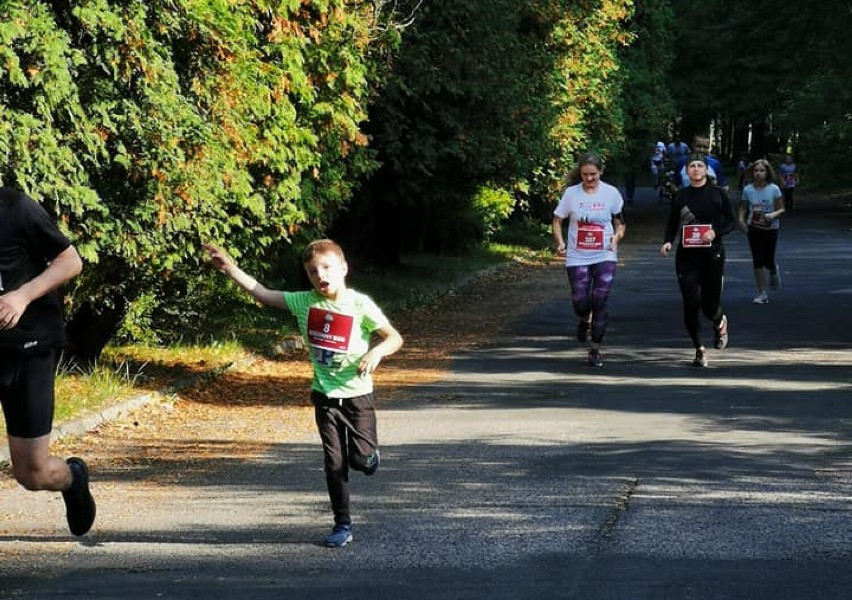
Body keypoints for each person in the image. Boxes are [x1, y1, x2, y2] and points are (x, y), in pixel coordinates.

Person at [204, 239, 403, 548]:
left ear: (343, 268)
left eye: (326, 268)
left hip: (357, 397)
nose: (320, 276)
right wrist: (229, 268)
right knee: (334, 464)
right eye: (312, 271)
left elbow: (394, 338)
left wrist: (376, 354)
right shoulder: (303, 302)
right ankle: (342, 524)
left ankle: (369, 457)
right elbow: (262, 293)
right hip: (324, 397)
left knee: (360, 460)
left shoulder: (359, 304)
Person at [0, 186, 95, 536]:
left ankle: (73, 479)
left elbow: (71, 261)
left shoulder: (16, 208)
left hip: (29, 348)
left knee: (32, 473)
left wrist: (22, 296)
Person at [660, 153, 736, 367]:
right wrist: (667, 241)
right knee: (690, 303)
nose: (695, 169)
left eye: (699, 166)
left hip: (713, 255)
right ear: (686, 170)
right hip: (686, 257)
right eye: (691, 166)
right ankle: (699, 348)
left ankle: (719, 321)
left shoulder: (717, 194)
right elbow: (672, 222)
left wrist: (715, 231)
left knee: (710, 306)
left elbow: (730, 222)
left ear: (706, 170)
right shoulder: (681, 196)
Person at [552, 153, 626, 368]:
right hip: (577, 255)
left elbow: (620, 223)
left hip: (605, 254)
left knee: (600, 300)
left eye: (593, 174)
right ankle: (585, 319)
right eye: (585, 174)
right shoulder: (571, 194)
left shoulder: (611, 193)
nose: (589, 178)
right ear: (580, 173)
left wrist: (617, 236)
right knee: (580, 301)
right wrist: (560, 243)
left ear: (600, 172)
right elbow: (557, 220)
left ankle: (595, 348)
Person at [738, 159, 784, 304]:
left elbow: (782, 209)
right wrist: (741, 221)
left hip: (771, 227)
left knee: (768, 258)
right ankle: (762, 293)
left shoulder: (774, 189)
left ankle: (773, 269)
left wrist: (772, 215)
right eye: (756, 171)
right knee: (758, 259)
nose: (758, 173)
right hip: (754, 227)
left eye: (762, 171)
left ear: (767, 172)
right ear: (752, 173)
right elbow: (743, 208)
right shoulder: (747, 190)